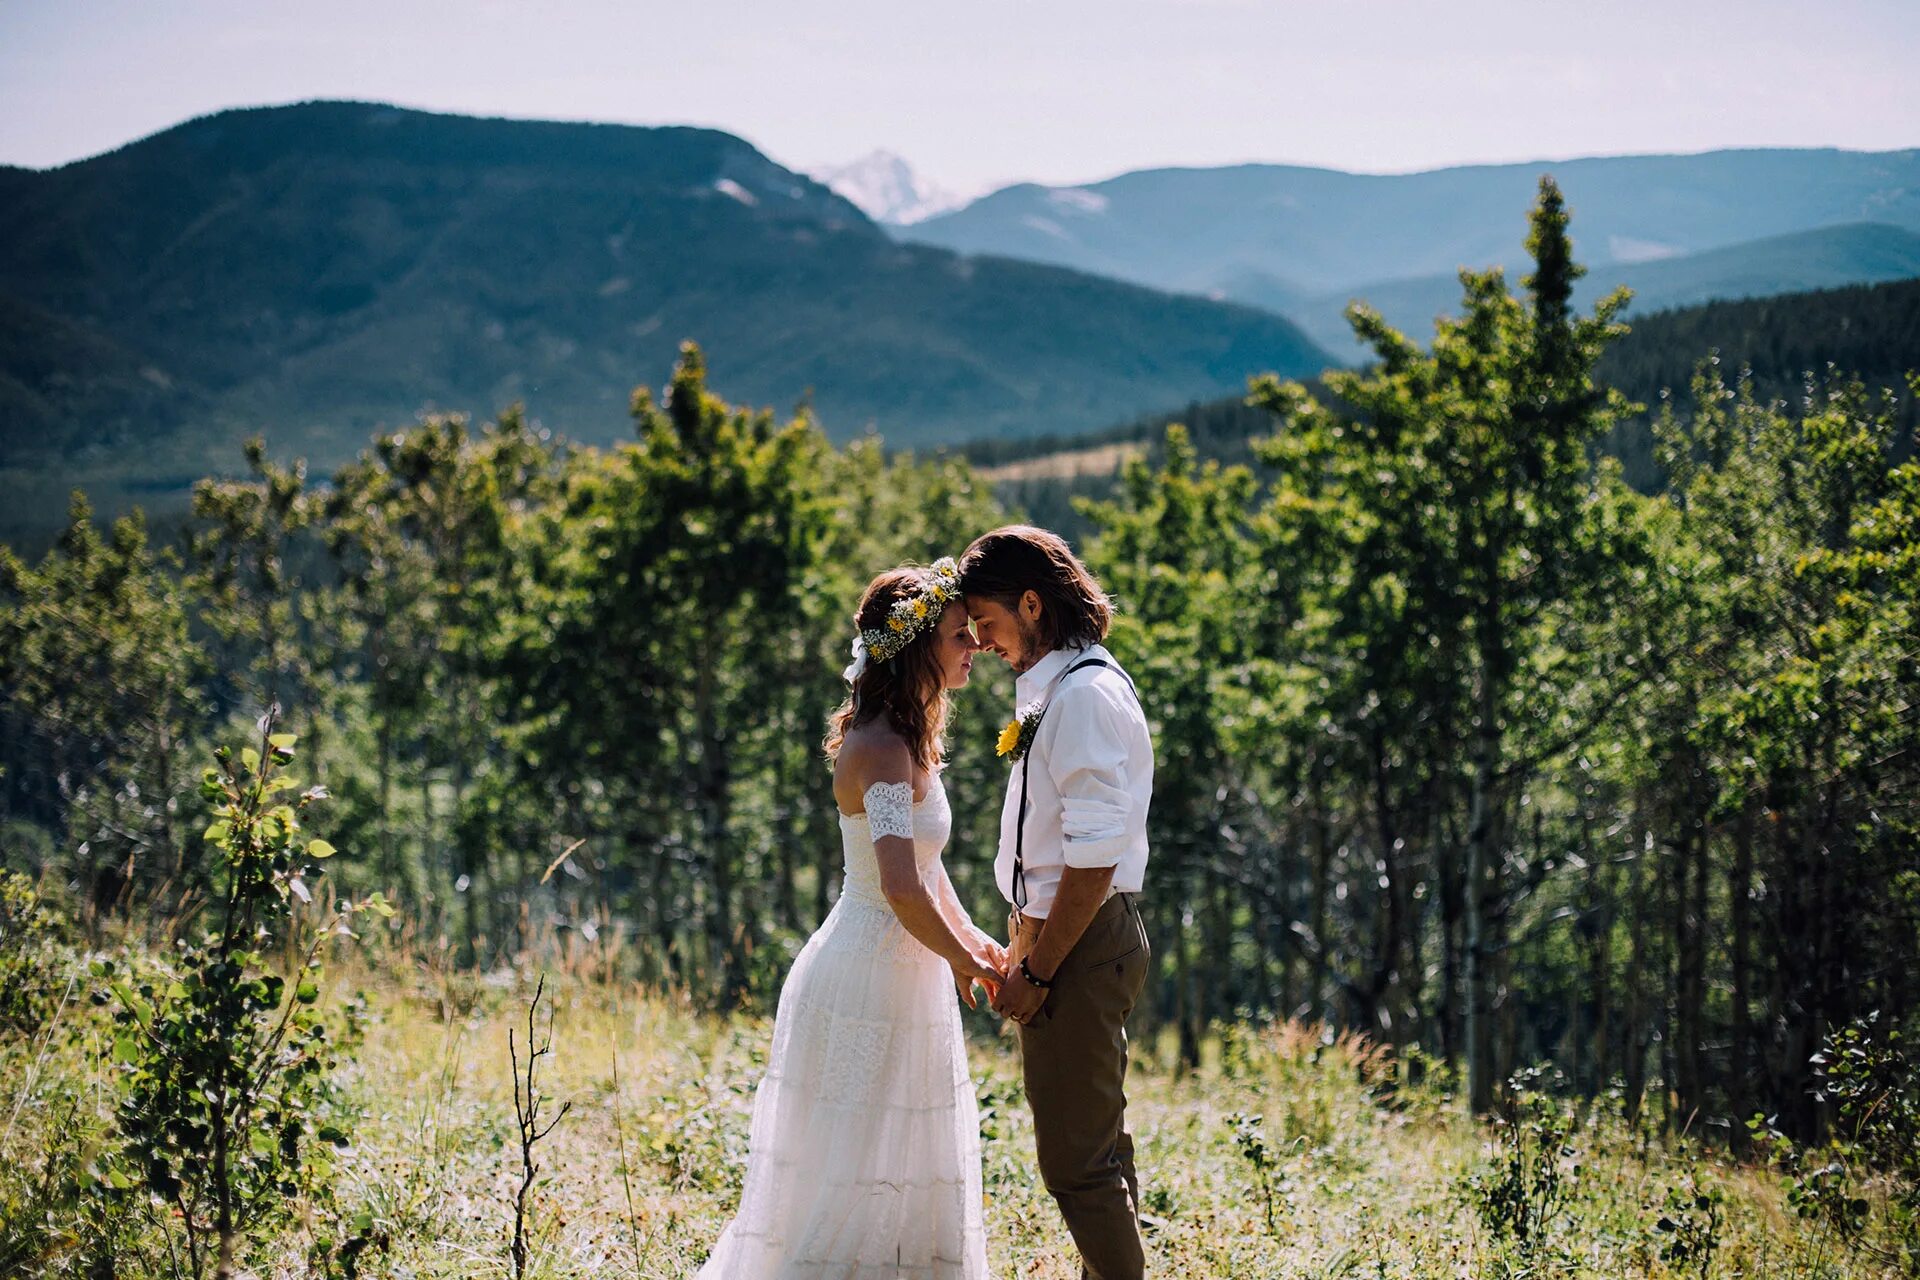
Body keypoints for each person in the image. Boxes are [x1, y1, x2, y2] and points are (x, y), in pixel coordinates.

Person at [695, 557, 1005, 1279]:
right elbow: (899, 889)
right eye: (961, 636)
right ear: (918, 646)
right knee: (854, 1163)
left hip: (906, 969)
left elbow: (926, 872)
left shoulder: (907, 742)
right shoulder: (883, 754)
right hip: (866, 972)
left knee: (900, 1154)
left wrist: (977, 942)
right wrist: (963, 959)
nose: (975, 648)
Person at [960, 526, 1154, 1280]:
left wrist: (1037, 971)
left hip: (1076, 942)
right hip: (1062, 937)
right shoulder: (1062, 689)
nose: (981, 643)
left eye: (988, 623)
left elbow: (1094, 858)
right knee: (1096, 1151)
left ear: (1032, 604)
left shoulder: (1084, 697)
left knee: (1075, 1166)